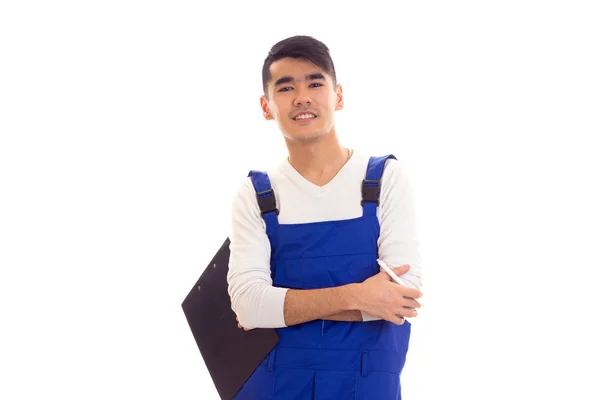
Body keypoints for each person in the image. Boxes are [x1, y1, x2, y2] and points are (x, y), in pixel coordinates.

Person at [227, 35, 423, 399]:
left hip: (365, 387)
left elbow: (402, 298)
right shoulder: (256, 194)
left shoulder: (384, 180)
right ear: (266, 106)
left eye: (315, 83)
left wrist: (280, 307)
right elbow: (249, 305)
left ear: (339, 96)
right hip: (273, 387)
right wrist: (359, 296)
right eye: (286, 87)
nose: (302, 97)